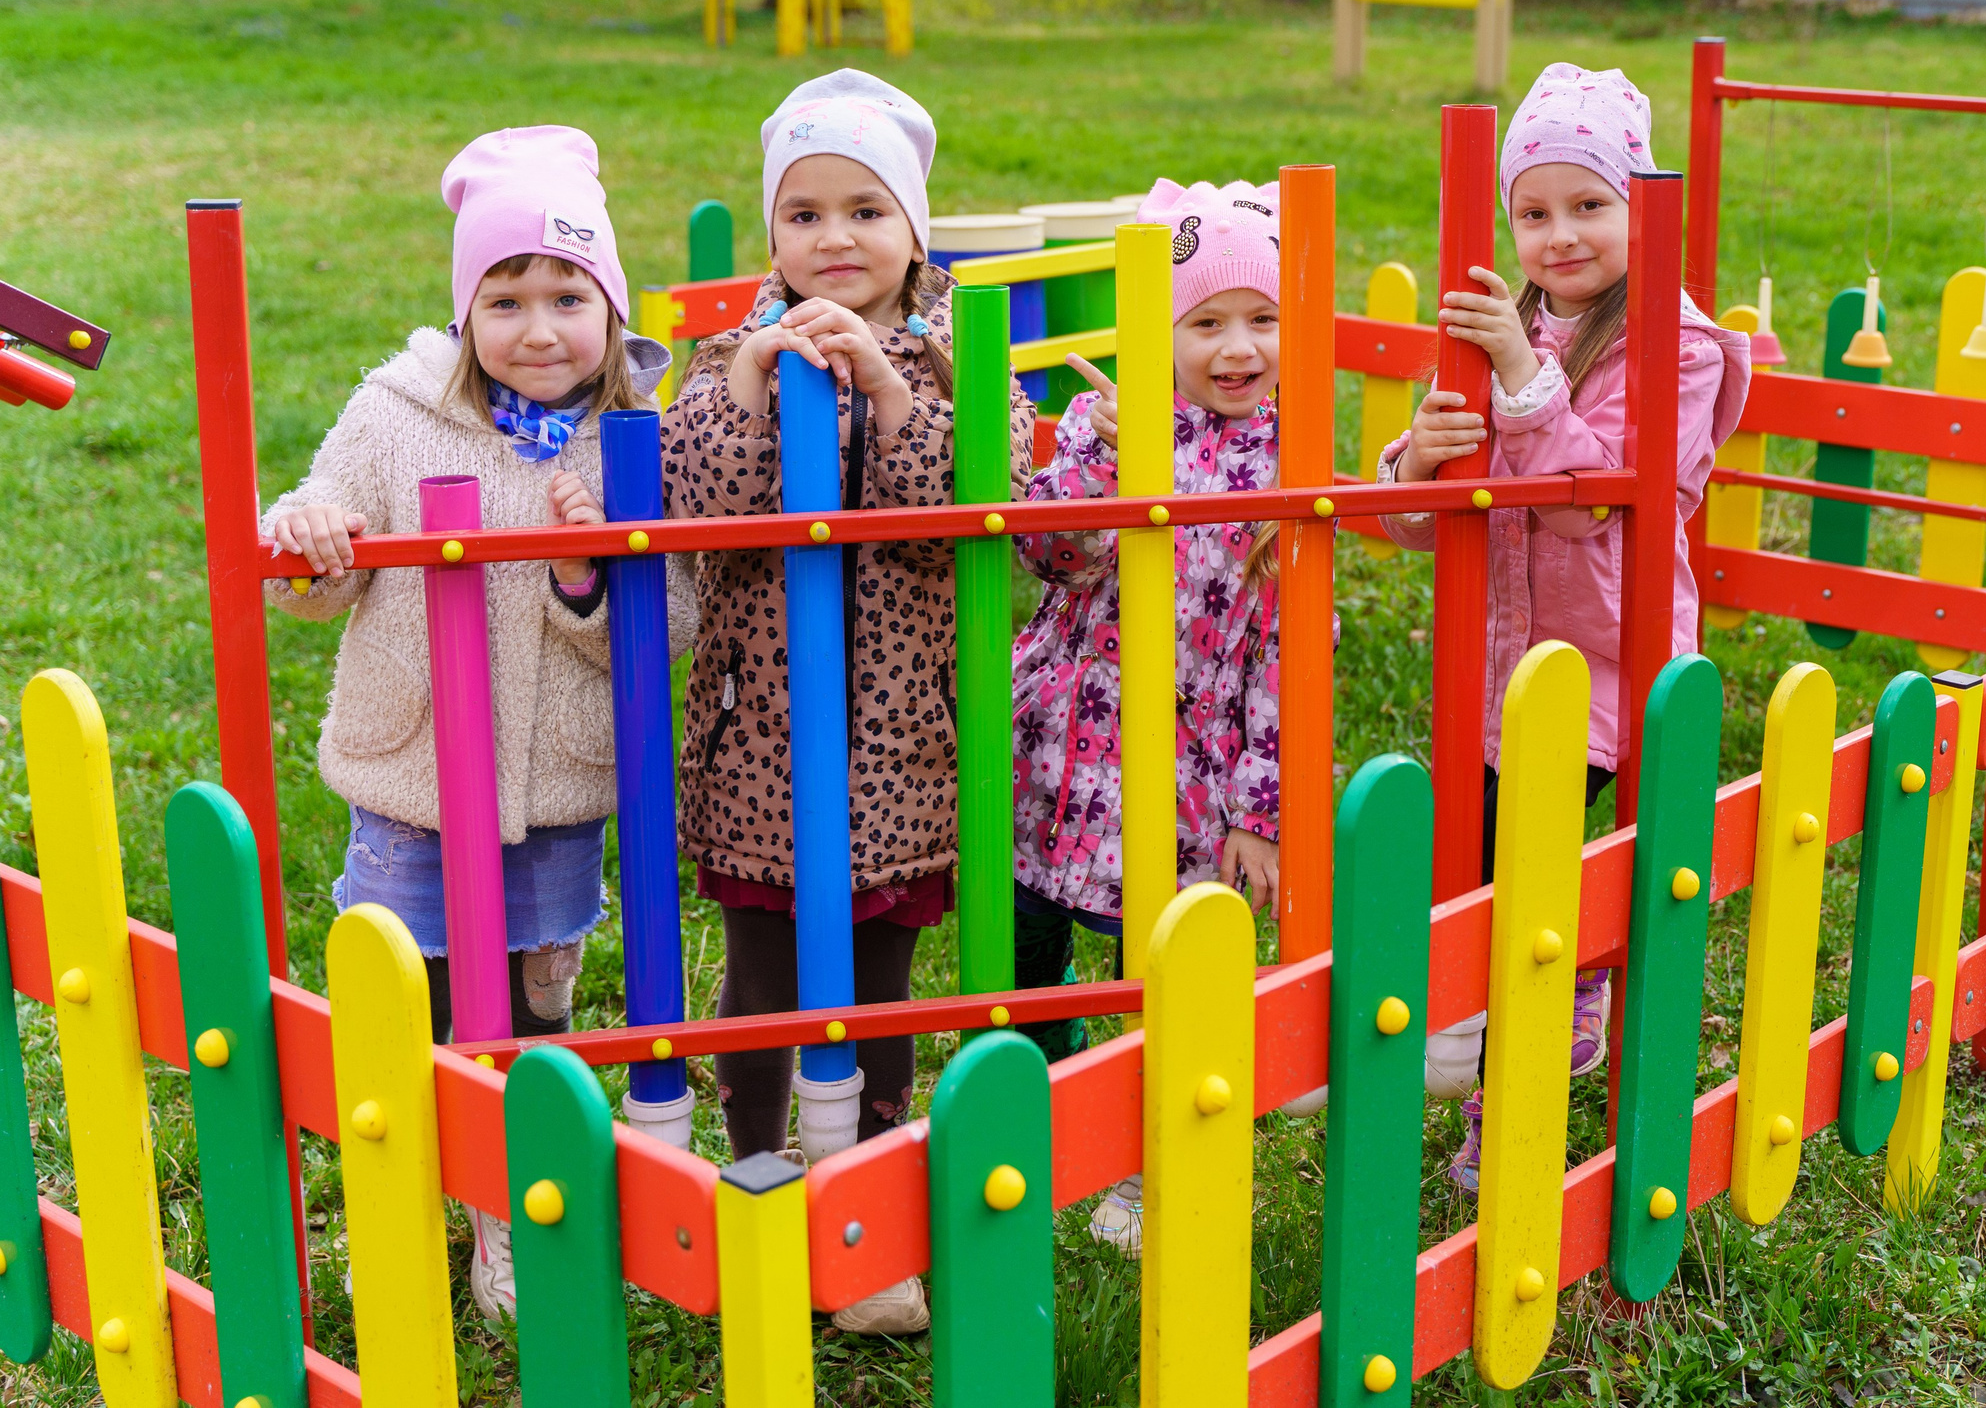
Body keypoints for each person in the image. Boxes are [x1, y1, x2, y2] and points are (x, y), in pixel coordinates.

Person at [265, 125, 697, 1322]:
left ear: (611, 306)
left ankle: (519, 1197)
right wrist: (308, 535)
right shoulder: (395, 413)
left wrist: (587, 575)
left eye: (568, 296)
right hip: (414, 777)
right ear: (465, 314)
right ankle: (426, 1187)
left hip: (555, 784)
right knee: (417, 991)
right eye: (504, 300)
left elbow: (673, 621)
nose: (539, 329)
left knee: (534, 996)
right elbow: (316, 553)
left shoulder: (635, 437)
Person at [663, 69, 1031, 1337]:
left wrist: (884, 386)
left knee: (882, 980)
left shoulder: (958, 363)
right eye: (804, 213)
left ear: (914, 232)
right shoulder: (726, 360)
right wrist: (754, 382)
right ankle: (758, 1186)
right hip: (759, 742)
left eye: (867, 211)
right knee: (761, 976)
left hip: (902, 747)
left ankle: (866, 1221)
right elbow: (694, 502)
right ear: (773, 234)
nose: (835, 239)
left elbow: (972, 511)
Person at [1376, 63, 1751, 1191]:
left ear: (1641, 207)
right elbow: (1412, 523)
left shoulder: (1677, 348)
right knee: (1480, 872)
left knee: (1521, 883)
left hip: (1605, 664)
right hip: (1501, 667)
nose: (1561, 235)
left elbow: (1592, 502)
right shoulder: (1509, 325)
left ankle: (1523, 1077)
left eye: (1590, 204)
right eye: (1533, 213)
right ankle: (1535, 1012)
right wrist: (1418, 461)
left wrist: (1516, 368)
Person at [1009, 178, 1292, 1255]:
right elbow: (1047, 553)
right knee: (1029, 950)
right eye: (1206, 322)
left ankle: (1144, 1159)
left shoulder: (1287, 460)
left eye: (1262, 318)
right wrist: (1106, 460)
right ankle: (1035, 1121)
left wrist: (1258, 813)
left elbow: (1283, 657)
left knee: (1164, 972)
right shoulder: (1110, 425)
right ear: (1159, 333)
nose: (1238, 348)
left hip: (1189, 775)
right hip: (1059, 753)